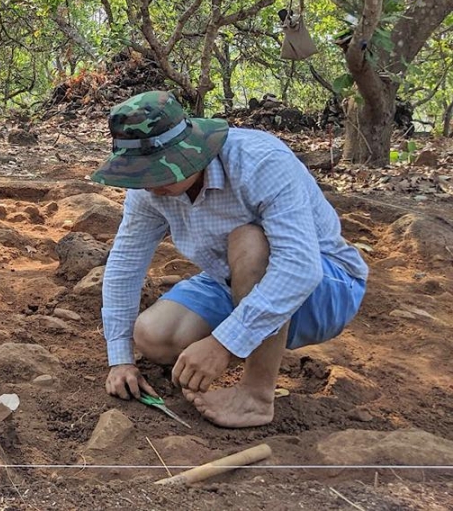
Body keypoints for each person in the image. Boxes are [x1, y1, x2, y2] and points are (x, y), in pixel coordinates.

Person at [90, 91, 368, 428]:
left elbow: (299, 268)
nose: (150, 185)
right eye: (141, 174)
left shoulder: (260, 162)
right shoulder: (149, 190)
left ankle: (256, 394)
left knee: (249, 241)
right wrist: (119, 358)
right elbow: (126, 263)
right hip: (230, 278)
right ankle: (253, 335)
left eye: (158, 173)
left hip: (324, 286)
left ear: (191, 151)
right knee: (153, 336)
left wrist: (224, 343)